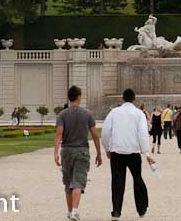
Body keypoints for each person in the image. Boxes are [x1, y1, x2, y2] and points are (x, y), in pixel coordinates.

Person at [101, 88, 154, 220]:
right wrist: (146, 153)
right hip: (133, 152)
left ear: (122, 98)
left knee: (117, 182)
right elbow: (143, 134)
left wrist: (107, 149)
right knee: (137, 179)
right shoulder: (139, 114)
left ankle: (116, 212)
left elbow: (106, 132)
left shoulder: (114, 112)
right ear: (134, 98)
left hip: (117, 152)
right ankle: (141, 209)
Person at [54, 85, 102, 221]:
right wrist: (99, 153)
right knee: (78, 182)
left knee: (68, 182)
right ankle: (75, 211)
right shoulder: (87, 114)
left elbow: (59, 133)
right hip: (82, 151)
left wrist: (56, 152)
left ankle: (70, 212)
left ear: (69, 98)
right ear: (79, 97)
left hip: (66, 151)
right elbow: (95, 135)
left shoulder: (62, 114)